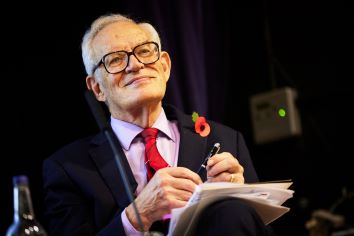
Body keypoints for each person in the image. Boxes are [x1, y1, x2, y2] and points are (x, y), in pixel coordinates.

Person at [42, 13, 276, 236]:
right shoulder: (68, 167)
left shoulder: (225, 139)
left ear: (164, 66)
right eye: (115, 59)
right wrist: (137, 216)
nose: (135, 65)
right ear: (97, 88)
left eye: (145, 51)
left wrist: (242, 204)